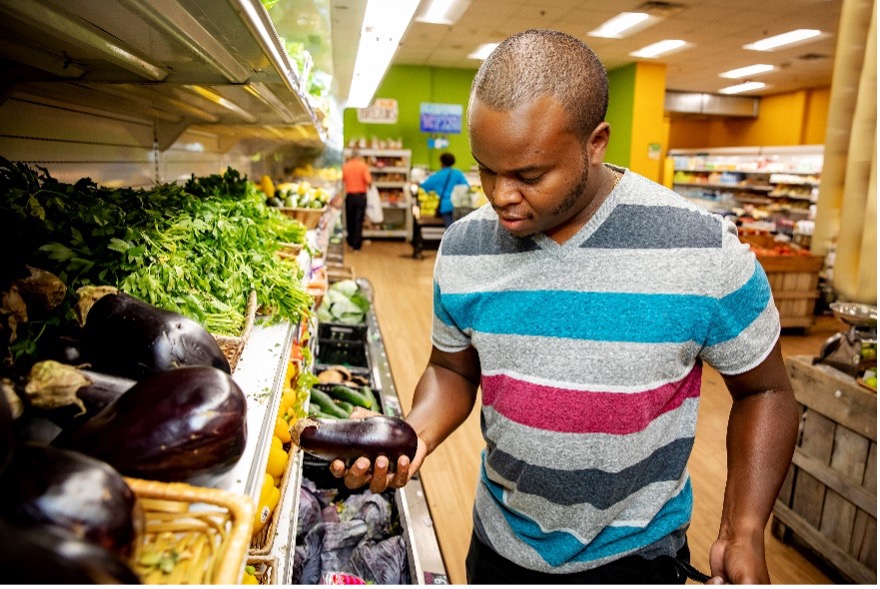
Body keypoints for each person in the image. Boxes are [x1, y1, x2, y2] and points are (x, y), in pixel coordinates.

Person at [331, 29, 798, 585]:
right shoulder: (463, 246)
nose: (500, 195)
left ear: (595, 141)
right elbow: (451, 367)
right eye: (486, 168)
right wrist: (415, 434)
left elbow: (766, 390)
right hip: (498, 547)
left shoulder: (702, 247)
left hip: (637, 560)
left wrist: (743, 529)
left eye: (529, 175)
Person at [419, 152, 470, 228]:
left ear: (441, 162)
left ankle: (451, 239)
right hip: (458, 205)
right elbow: (467, 187)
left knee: (450, 229)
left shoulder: (438, 175)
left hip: (446, 205)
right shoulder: (458, 173)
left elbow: (425, 186)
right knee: (459, 229)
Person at [341, 149, 372, 251]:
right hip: (360, 197)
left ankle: (350, 242)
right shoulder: (364, 166)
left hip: (350, 197)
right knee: (358, 221)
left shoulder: (346, 166)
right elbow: (369, 181)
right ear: (359, 157)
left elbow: (342, 180)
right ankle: (356, 245)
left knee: (350, 220)